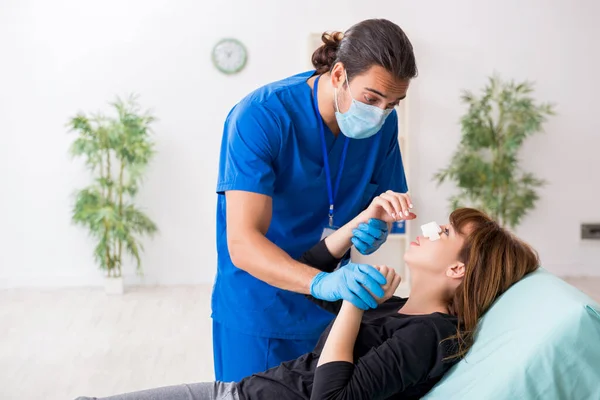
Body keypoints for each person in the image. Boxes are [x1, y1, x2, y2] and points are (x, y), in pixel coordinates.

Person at [76, 192, 540, 400]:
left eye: (448, 231)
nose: (431, 227)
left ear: (458, 269)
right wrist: (356, 228)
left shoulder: (429, 335)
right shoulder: (401, 308)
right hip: (243, 391)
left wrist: (356, 305)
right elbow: (315, 285)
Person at [213, 19, 418, 381]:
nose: (381, 112)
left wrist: (377, 226)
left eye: (394, 103)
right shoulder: (261, 117)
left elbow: (382, 201)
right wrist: (320, 282)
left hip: (332, 312)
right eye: (371, 98)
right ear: (339, 75)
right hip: (262, 308)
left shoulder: (382, 124)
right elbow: (243, 244)